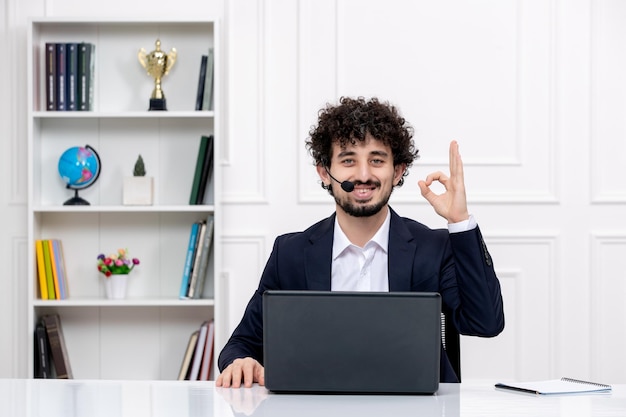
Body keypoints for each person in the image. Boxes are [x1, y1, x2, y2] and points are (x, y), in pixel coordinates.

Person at [216, 96, 505, 388]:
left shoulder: (434, 248)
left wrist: (460, 222)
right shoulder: (290, 254)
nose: (364, 175)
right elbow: (241, 343)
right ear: (324, 172)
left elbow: (486, 322)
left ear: (398, 171)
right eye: (348, 160)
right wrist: (241, 361)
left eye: (377, 160)